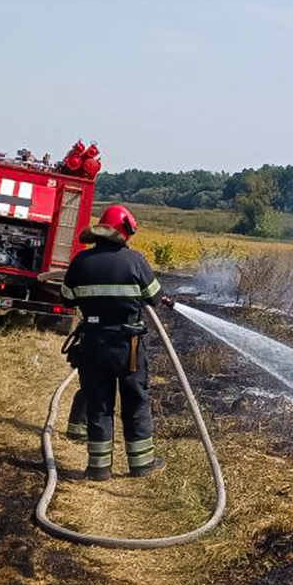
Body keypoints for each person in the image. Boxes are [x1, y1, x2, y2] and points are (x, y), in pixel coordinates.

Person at [61, 204, 172, 480]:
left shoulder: (80, 262)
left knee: (99, 404)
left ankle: (98, 469)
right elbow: (155, 297)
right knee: (135, 402)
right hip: (128, 347)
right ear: (124, 232)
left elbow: (66, 298)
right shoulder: (135, 261)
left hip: (93, 345)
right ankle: (141, 465)